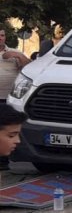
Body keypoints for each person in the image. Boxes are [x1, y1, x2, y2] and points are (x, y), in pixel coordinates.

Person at [0, 27, 31, 170]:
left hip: (8, 99)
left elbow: (30, 68)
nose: (0, 38)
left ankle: (5, 161)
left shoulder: (14, 52)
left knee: (8, 129)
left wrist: (18, 57)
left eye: (2, 35)